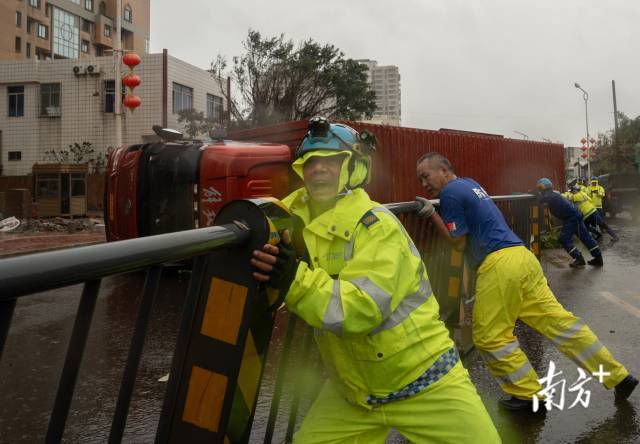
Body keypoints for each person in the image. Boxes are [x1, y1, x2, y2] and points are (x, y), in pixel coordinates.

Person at [251, 118, 500, 443]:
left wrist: (291, 278)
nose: (319, 170)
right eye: (311, 162)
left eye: (331, 161)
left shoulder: (377, 226)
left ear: (352, 169)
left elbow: (360, 309)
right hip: (354, 392)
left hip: (424, 380)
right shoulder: (292, 221)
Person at [415, 152, 637, 412]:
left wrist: (432, 214)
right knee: (562, 326)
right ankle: (618, 376)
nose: (423, 184)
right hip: (522, 257)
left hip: (499, 265)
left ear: (444, 169)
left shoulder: (450, 192)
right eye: (420, 180)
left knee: (490, 337)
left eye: (425, 176)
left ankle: (527, 396)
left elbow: (457, 241)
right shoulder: (470, 184)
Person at [536, 178, 603, 267]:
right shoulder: (553, 194)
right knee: (585, 237)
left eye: (539, 187)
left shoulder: (550, 195)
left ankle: (579, 258)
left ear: (544, 187)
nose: (539, 189)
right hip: (575, 215)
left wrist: (534, 194)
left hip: (572, 218)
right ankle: (598, 258)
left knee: (564, 239)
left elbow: (541, 199)